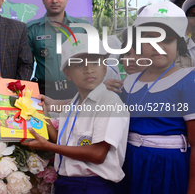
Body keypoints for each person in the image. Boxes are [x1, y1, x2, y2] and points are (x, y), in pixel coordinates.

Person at [22, 33, 130, 194]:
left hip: (92, 186)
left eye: (95, 62)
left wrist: (49, 147)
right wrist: (42, 115)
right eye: (79, 64)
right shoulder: (74, 103)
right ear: (68, 73)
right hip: (66, 184)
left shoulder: (109, 101)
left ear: (104, 67)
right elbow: (63, 141)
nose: (89, 69)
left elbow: (98, 153)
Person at [117, 1, 195, 194]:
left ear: (179, 44)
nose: (158, 46)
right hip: (131, 164)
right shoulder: (129, 82)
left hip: (169, 167)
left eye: (167, 40)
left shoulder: (187, 80)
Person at [27, 0, 89, 100]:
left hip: (77, 91)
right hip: (43, 93)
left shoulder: (82, 28)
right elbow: (25, 66)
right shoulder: (31, 29)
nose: (54, 0)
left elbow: (93, 62)